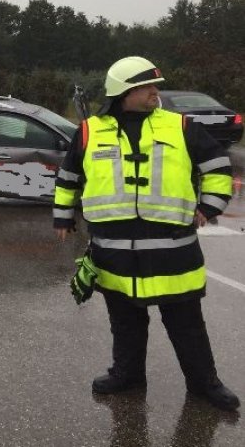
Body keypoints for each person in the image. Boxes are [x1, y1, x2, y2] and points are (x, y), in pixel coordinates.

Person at [53, 56, 238, 411]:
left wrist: (210, 206)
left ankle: (204, 384)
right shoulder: (90, 131)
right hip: (115, 250)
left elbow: (217, 167)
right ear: (124, 92)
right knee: (125, 322)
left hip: (173, 249)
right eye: (147, 86)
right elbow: (68, 177)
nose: (156, 92)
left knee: (187, 324)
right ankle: (128, 375)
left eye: (155, 85)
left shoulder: (180, 126)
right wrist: (62, 218)